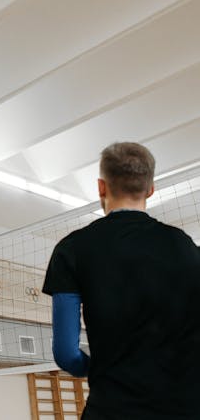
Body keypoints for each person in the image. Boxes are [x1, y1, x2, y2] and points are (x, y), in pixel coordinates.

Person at [43, 142, 200, 419]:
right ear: (150, 189)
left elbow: (66, 353)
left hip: (113, 407)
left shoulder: (72, 249)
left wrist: (107, 368)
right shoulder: (185, 248)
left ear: (101, 187)